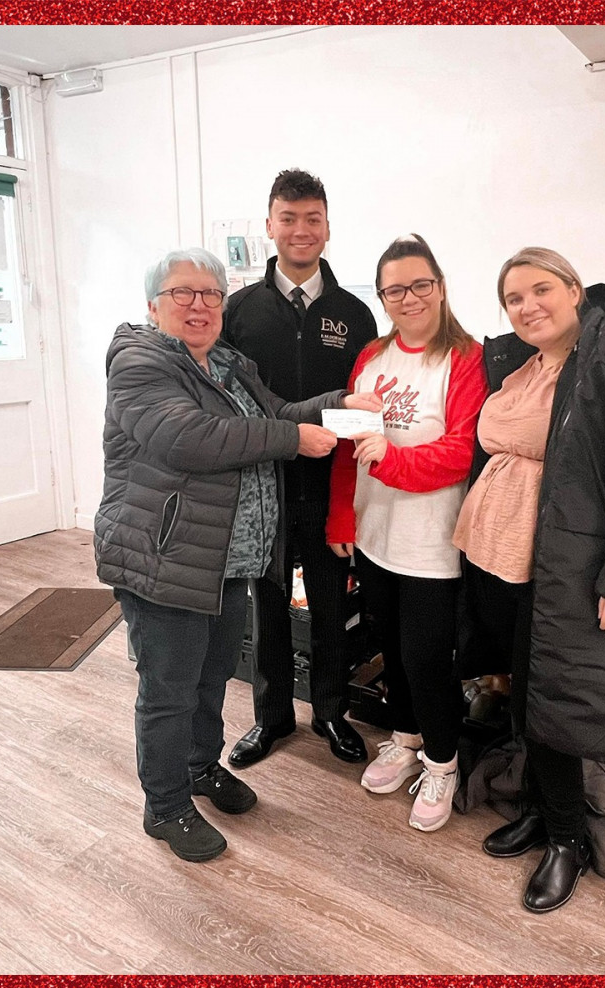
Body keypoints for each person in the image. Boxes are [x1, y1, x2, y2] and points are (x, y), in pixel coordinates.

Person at [95, 248, 380, 862]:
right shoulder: (140, 363)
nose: (199, 305)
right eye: (183, 293)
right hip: (164, 557)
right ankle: (165, 806)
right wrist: (292, 438)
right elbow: (189, 436)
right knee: (168, 689)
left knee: (209, 680)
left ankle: (200, 769)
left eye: (211, 294)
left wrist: (337, 402)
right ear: (153, 305)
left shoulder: (228, 363)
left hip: (227, 559)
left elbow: (277, 412)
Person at [453, 247, 605, 911]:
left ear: (575, 290)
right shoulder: (520, 368)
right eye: (513, 299)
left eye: (540, 289)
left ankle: (567, 840)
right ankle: (541, 806)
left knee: (555, 705)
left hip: (572, 571)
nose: (528, 306)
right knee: (529, 697)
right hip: (505, 564)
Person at [327, 234, 489, 833]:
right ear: (383, 296)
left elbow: (462, 450)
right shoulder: (371, 356)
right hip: (375, 533)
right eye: (395, 288)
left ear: (440, 286)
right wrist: (342, 516)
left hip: (431, 541)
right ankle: (404, 736)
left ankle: (442, 761)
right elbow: (349, 445)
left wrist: (391, 461)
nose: (409, 297)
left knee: (427, 658)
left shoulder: (466, 358)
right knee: (388, 646)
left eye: (420, 284)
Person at [224, 169, 379, 769]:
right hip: (263, 484)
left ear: (328, 228)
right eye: (288, 218)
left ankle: (332, 713)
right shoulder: (239, 312)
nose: (300, 230)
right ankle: (271, 718)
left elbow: (364, 403)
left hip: (330, 485)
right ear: (269, 226)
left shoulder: (355, 314)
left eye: (312, 219)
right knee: (265, 605)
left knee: (331, 606)